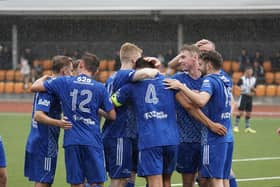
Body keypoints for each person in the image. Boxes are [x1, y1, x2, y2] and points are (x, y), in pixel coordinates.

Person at [31, 52, 116, 187]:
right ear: (97, 70)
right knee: (97, 182)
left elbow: (35, 87)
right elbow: (112, 115)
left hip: (72, 139)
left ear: (81, 65)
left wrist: (45, 77)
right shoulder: (100, 87)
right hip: (92, 139)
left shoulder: (65, 82)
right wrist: (95, 109)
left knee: (76, 182)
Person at [164, 50, 234, 187]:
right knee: (222, 178)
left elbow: (201, 101)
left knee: (215, 179)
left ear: (207, 65)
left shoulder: (208, 80)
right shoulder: (224, 79)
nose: (199, 67)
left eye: (200, 64)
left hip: (211, 136)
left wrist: (181, 87)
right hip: (223, 136)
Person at [102, 42, 160, 187]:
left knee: (129, 178)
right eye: (139, 59)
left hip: (127, 134)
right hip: (119, 134)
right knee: (119, 179)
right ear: (134, 60)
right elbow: (147, 73)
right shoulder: (124, 75)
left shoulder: (111, 78)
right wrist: (155, 69)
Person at [24, 55, 73, 187]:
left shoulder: (45, 85)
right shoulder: (49, 91)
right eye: (71, 70)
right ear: (64, 71)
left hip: (37, 138)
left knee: (43, 179)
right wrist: (60, 123)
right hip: (44, 142)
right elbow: (38, 116)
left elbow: (33, 87)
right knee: (43, 181)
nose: (72, 74)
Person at [233, 66, 257, 134]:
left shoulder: (254, 79)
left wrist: (253, 90)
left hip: (250, 97)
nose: (250, 73)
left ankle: (247, 128)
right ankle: (236, 126)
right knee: (241, 112)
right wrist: (240, 89)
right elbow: (236, 86)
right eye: (249, 71)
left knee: (249, 113)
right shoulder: (242, 79)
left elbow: (255, 89)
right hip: (243, 96)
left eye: (251, 71)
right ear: (246, 71)